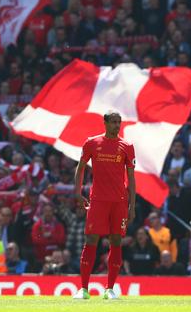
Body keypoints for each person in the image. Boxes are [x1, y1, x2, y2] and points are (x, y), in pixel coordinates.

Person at [73, 110, 136, 300]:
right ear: (105, 123)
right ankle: (83, 289)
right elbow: (81, 167)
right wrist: (77, 192)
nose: (117, 125)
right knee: (91, 240)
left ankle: (109, 289)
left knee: (116, 241)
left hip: (119, 202)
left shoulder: (127, 146)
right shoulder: (92, 143)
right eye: (114, 122)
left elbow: (131, 179)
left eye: (119, 122)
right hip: (98, 200)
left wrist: (132, 206)